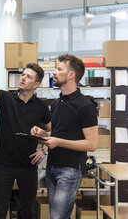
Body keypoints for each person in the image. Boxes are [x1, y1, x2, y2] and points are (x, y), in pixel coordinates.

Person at [0, 47, 51, 219]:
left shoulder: (41, 108)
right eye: (23, 75)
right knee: (0, 209)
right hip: (4, 165)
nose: (23, 78)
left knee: (28, 210)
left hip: (28, 166)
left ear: (36, 84)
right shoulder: (5, 98)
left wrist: (44, 149)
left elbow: (53, 132)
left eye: (28, 77)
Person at [31, 54, 98, 219]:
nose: (54, 72)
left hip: (70, 170)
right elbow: (57, 134)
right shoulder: (56, 103)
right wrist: (44, 134)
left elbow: (91, 144)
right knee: (57, 216)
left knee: (58, 217)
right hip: (52, 167)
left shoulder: (85, 106)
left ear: (71, 75)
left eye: (59, 69)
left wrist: (57, 141)